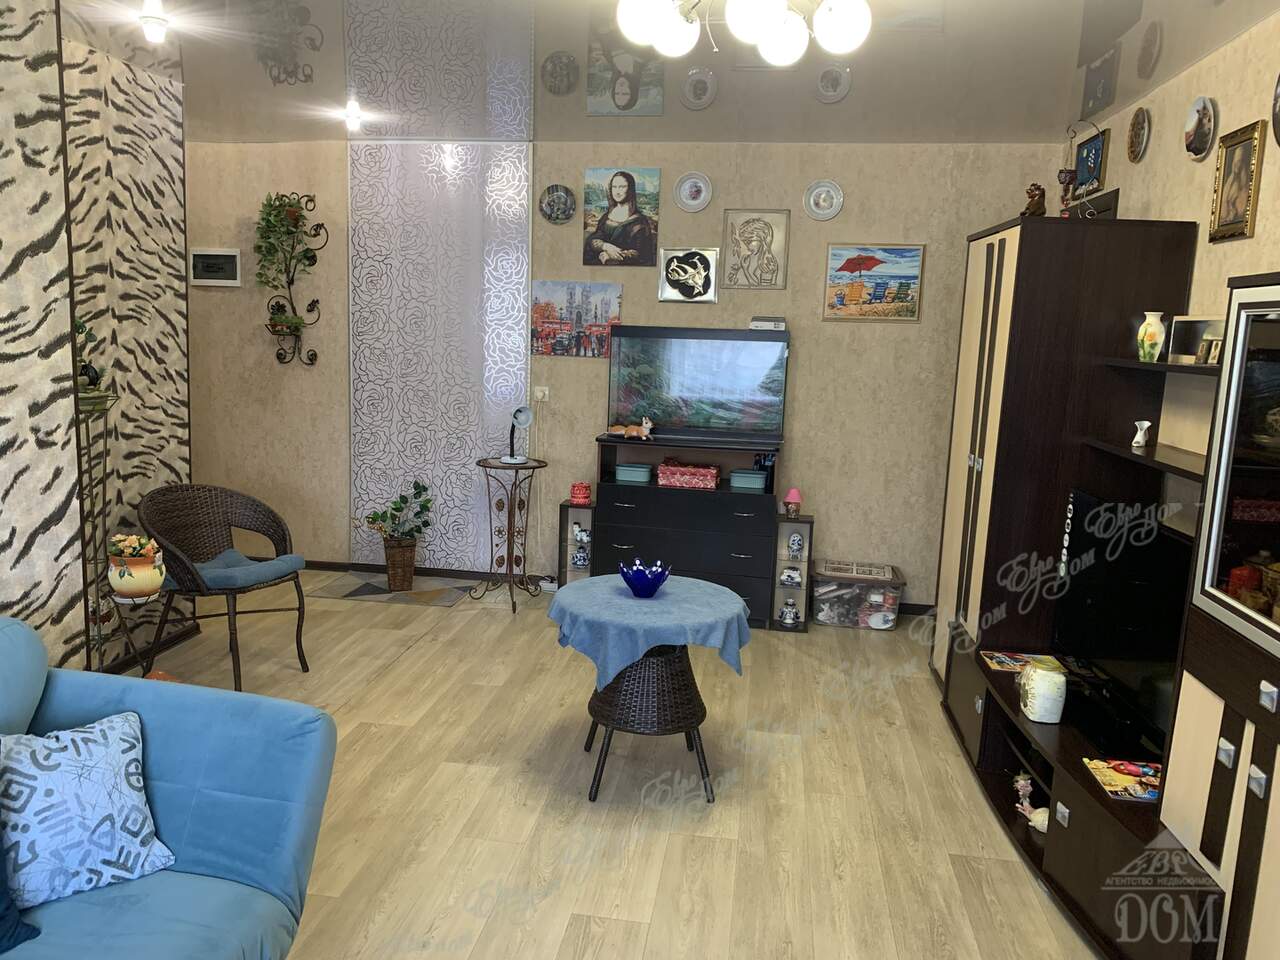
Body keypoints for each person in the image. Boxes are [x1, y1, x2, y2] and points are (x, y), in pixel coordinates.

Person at [584, 170, 656, 267]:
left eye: (622, 187)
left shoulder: (640, 221)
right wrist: (605, 246)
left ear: (630, 189)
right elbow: (594, 238)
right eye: (614, 187)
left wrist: (613, 256)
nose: (617, 191)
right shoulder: (606, 216)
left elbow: (642, 254)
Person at [727, 217, 780, 287]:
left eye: (749, 241)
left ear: (762, 238)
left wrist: (746, 271)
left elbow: (762, 290)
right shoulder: (747, 257)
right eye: (745, 242)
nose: (747, 246)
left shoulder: (769, 262)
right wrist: (734, 274)